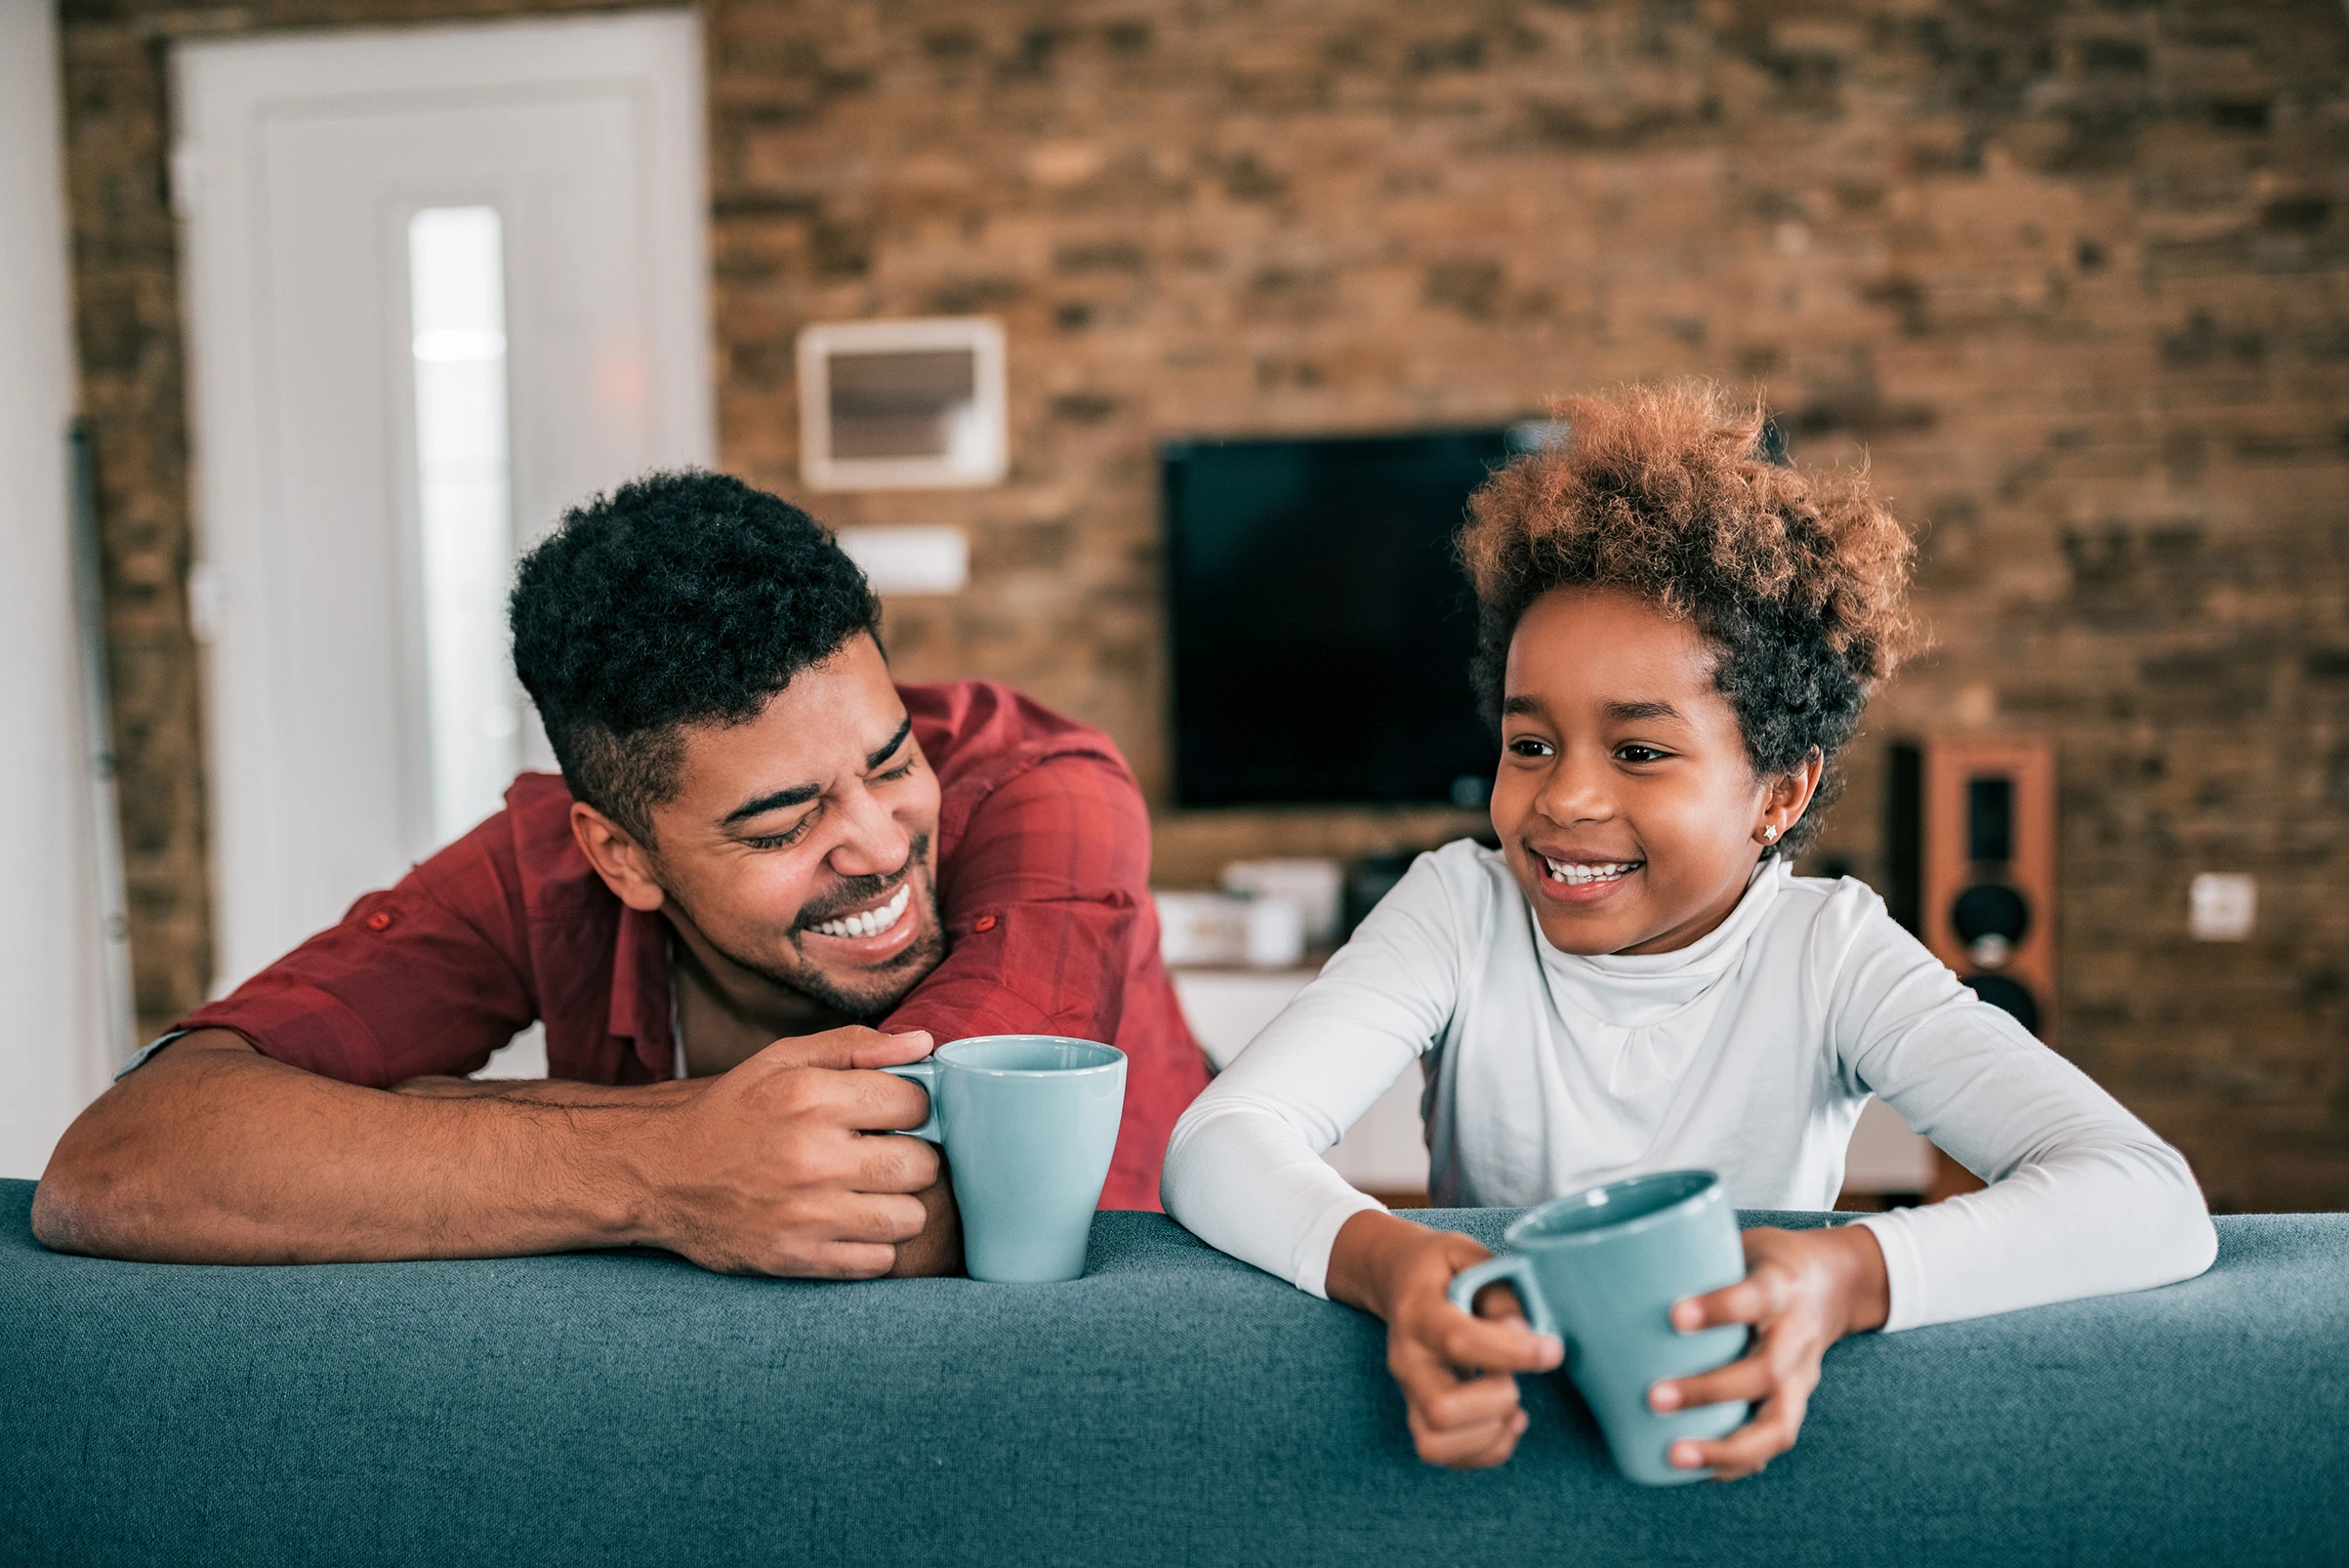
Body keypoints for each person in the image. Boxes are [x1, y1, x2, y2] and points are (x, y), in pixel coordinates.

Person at [1160, 383, 2216, 1479]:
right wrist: (1396, 1264)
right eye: (1530, 745)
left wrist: (1841, 1279)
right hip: (1508, 1441)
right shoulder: (1459, 908)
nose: (1562, 800)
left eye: (1639, 751)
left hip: (1726, 1443)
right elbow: (1217, 1141)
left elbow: (2148, 1197)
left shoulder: (1831, 951)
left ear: (1779, 794)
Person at [35, 472, 1208, 1276]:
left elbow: (938, 1207)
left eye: (891, 761)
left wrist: (431, 1125)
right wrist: (665, 1165)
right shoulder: (544, 864)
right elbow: (123, 1158)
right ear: (622, 856)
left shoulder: (1050, 791)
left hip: (1116, 1340)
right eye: (780, 823)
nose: (882, 840)